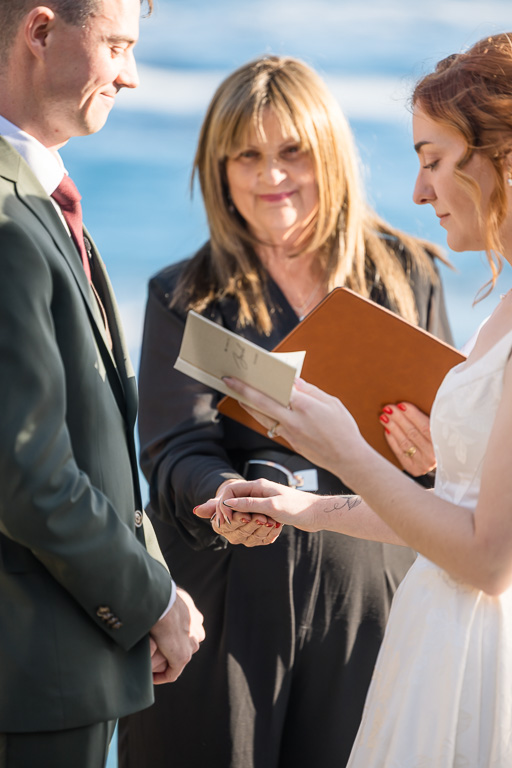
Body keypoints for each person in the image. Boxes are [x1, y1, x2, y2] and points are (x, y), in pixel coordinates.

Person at [119, 56, 452, 768]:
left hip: (368, 594)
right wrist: (221, 495)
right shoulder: (183, 294)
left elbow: (454, 458)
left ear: (327, 153)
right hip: (227, 591)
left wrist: (433, 455)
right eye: (248, 155)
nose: (271, 176)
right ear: (221, 169)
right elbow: (176, 446)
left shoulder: (408, 273)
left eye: (291, 152)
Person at [196, 33, 512, 767]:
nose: (418, 192)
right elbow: (463, 510)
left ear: (501, 158)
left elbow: (490, 559)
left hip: (477, 650)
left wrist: (342, 448)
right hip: (436, 635)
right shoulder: (499, 312)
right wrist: (303, 509)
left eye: (433, 160)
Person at [0, 2, 205, 767]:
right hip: (30, 678)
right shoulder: (8, 222)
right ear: (42, 31)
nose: (132, 74)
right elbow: (28, 472)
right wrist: (150, 597)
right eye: (116, 46)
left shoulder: (35, 204)